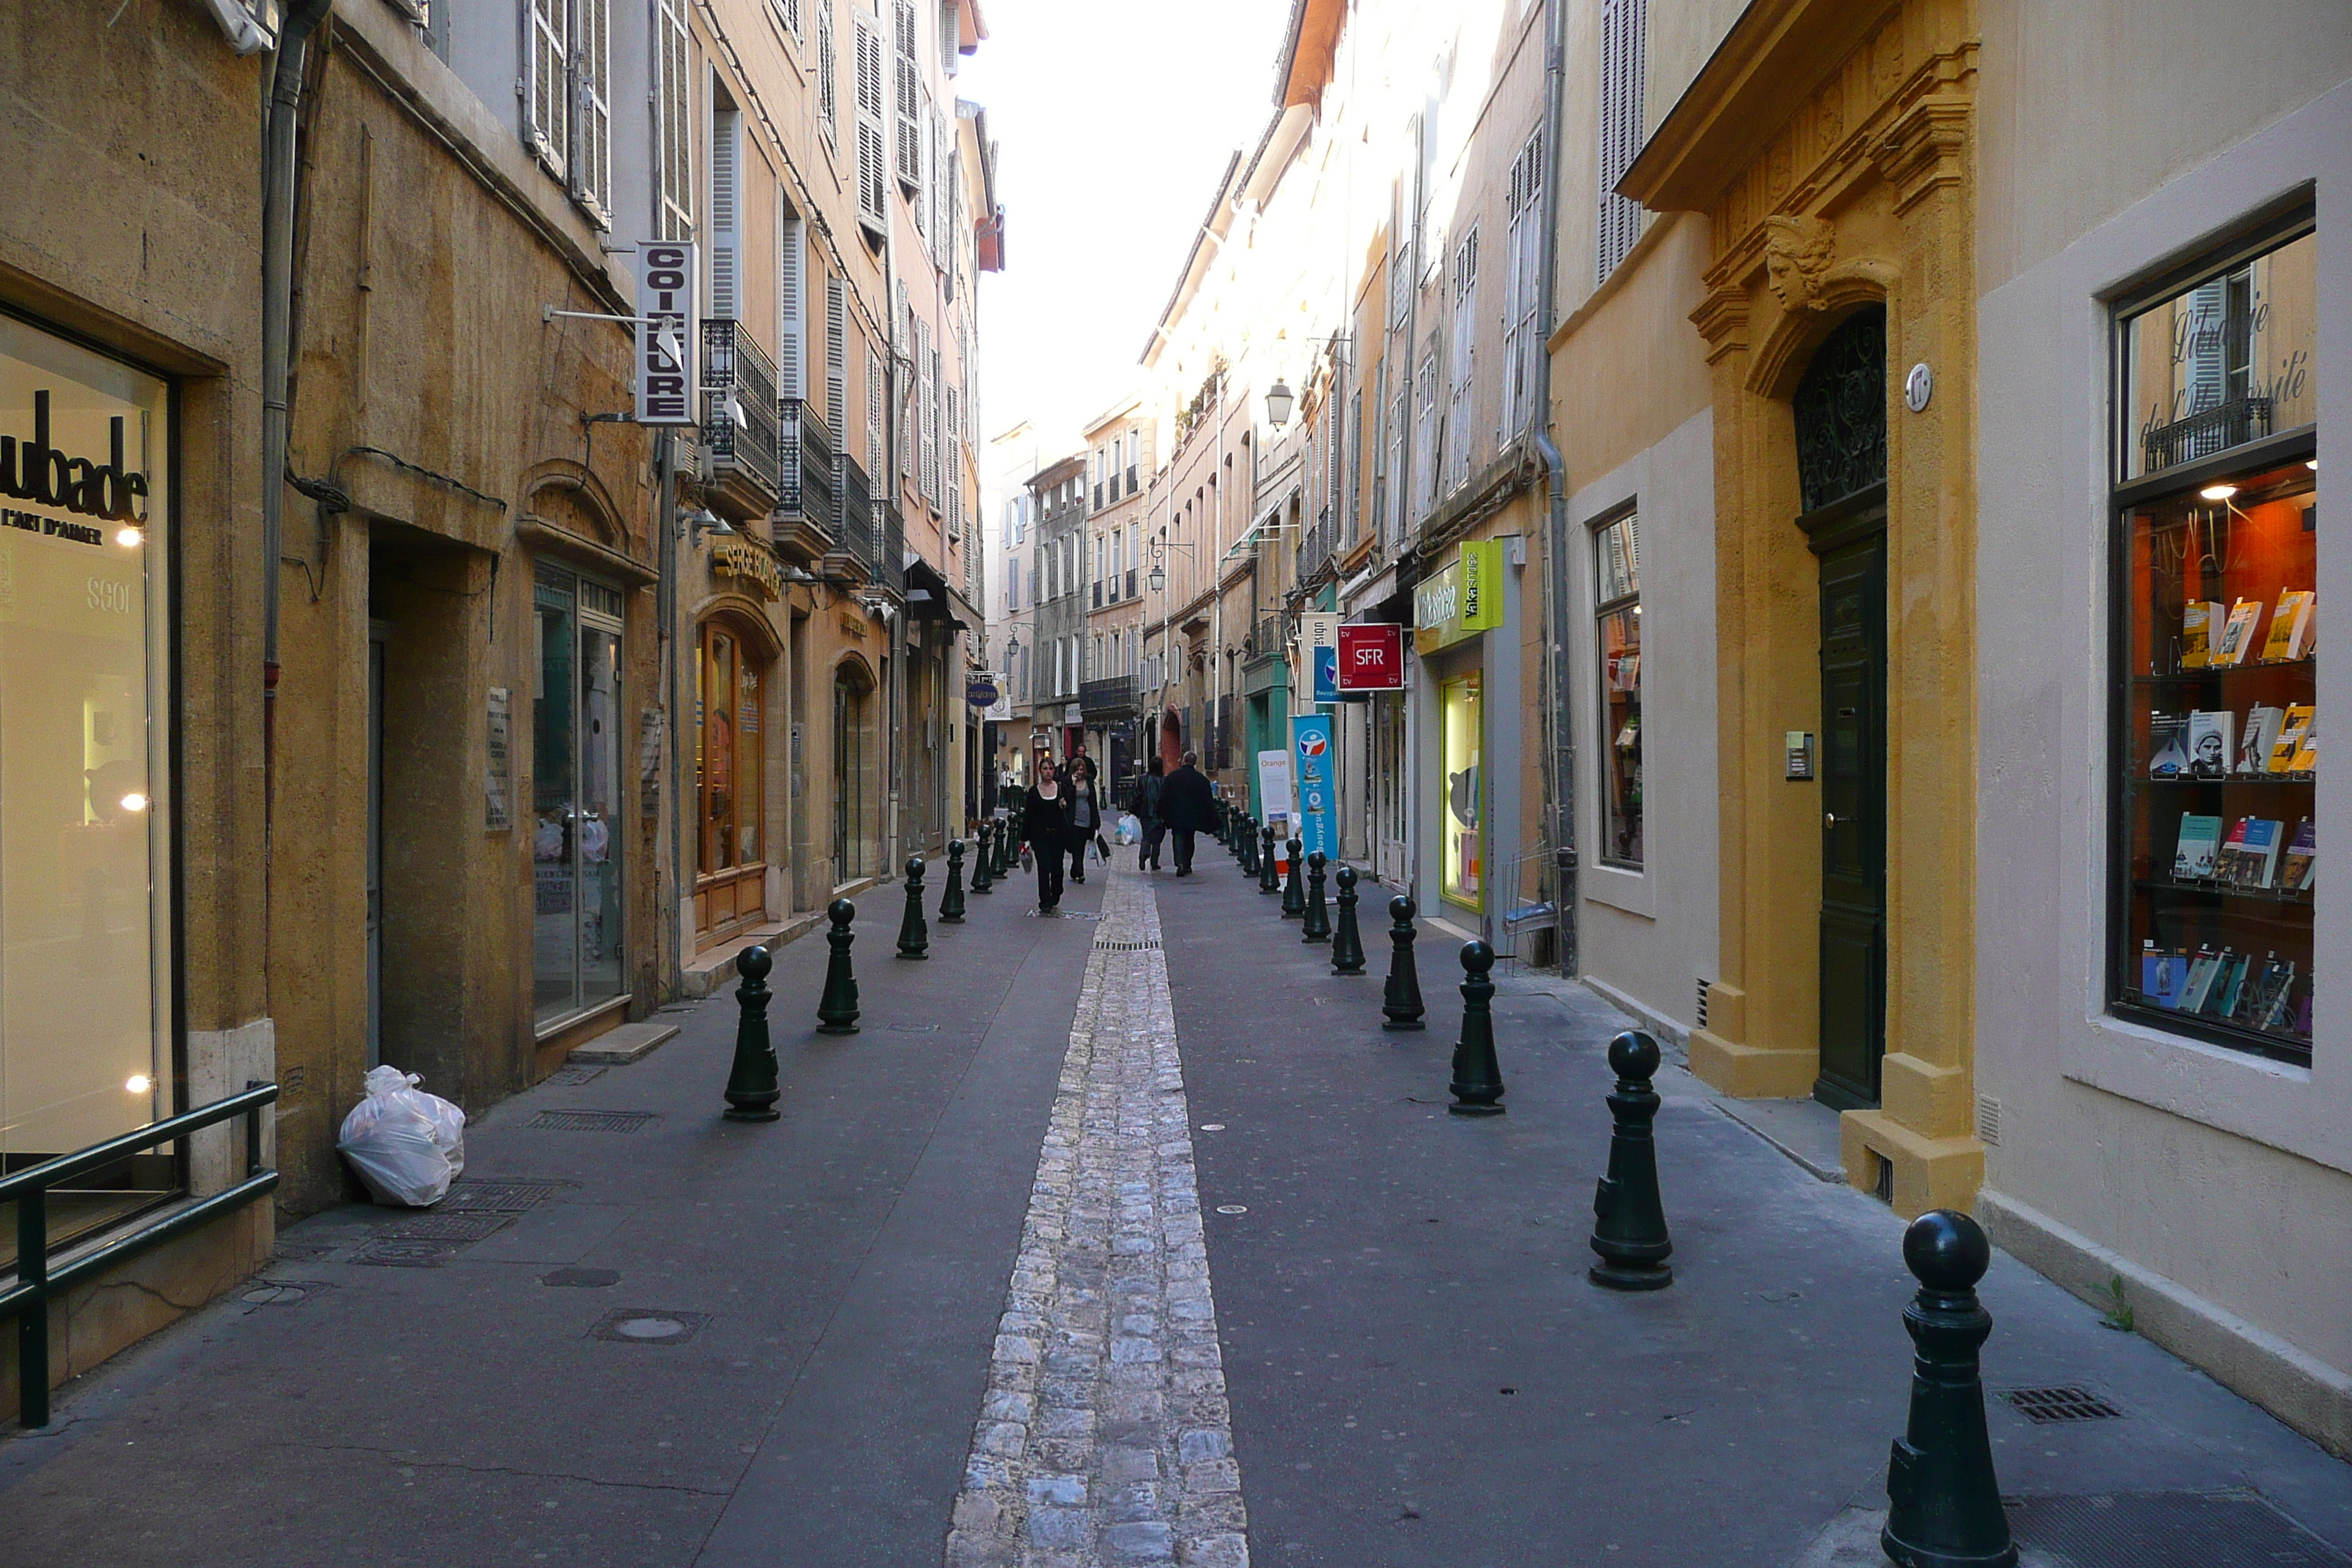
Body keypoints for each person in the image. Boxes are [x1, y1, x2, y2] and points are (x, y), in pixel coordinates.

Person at [1019, 754, 1075, 912]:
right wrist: (1024, 839)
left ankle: (1056, 891)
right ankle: (1045, 901)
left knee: (1057, 868)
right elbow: (1029, 816)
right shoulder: (1033, 792)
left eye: (1051, 769)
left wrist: (1065, 805)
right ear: (1040, 771)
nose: (1048, 772)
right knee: (1044, 867)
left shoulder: (1061, 788)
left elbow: (1071, 808)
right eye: (1045, 769)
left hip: (1058, 835)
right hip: (1040, 836)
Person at [1159, 750, 1215, 875]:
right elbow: (1207, 800)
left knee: (1178, 837)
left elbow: (1164, 797)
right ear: (1194, 763)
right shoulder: (1201, 780)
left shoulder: (1172, 777)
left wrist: (1162, 813)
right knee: (1189, 839)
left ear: (1183, 761)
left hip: (1176, 814)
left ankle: (1180, 863)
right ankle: (1187, 863)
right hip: (1192, 815)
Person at [1066, 772, 1103, 885]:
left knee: (1080, 846)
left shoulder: (1089, 783)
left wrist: (1096, 821)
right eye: (1077, 769)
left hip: (1086, 818)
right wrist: (1073, 785)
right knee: (1077, 846)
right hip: (1074, 819)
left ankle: (1075, 870)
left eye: (1081, 769)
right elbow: (1068, 798)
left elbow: (1093, 802)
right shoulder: (1068, 783)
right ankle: (1080, 873)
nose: (1079, 772)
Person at [1134, 757, 1167, 872]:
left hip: (1145, 812)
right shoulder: (1164, 780)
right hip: (1160, 812)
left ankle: (1143, 854)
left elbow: (1137, 797)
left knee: (1146, 835)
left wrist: (1133, 810)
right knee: (1158, 839)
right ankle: (1154, 862)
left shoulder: (1143, 779)